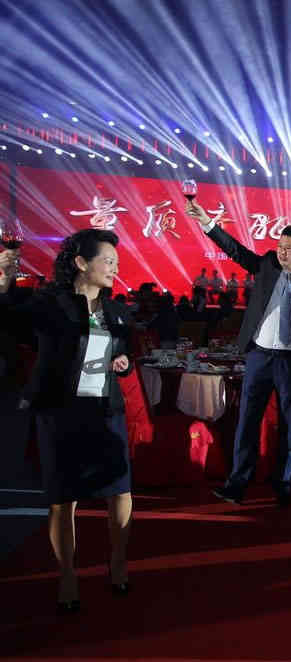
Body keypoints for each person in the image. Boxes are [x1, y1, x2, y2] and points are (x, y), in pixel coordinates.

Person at [0, 229, 134, 612]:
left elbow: (123, 353)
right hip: (60, 412)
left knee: (120, 491)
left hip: (106, 411)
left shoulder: (116, 310)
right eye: (108, 261)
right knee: (63, 499)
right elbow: (7, 320)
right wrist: (4, 280)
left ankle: (118, 561)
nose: (114, 269)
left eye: (116, 263)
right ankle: (68, 575)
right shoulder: (48, 304)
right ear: (80, 263)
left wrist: (122, 363)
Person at [184, 200, 291, 507]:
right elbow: (236, 251)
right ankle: (237, 483)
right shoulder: (267, 265)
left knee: (290, 423)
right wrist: (207, 223)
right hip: (260, 356)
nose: (282, 252)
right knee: (248, 420)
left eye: (289, 248)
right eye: (280, 246)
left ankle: (283, 483)